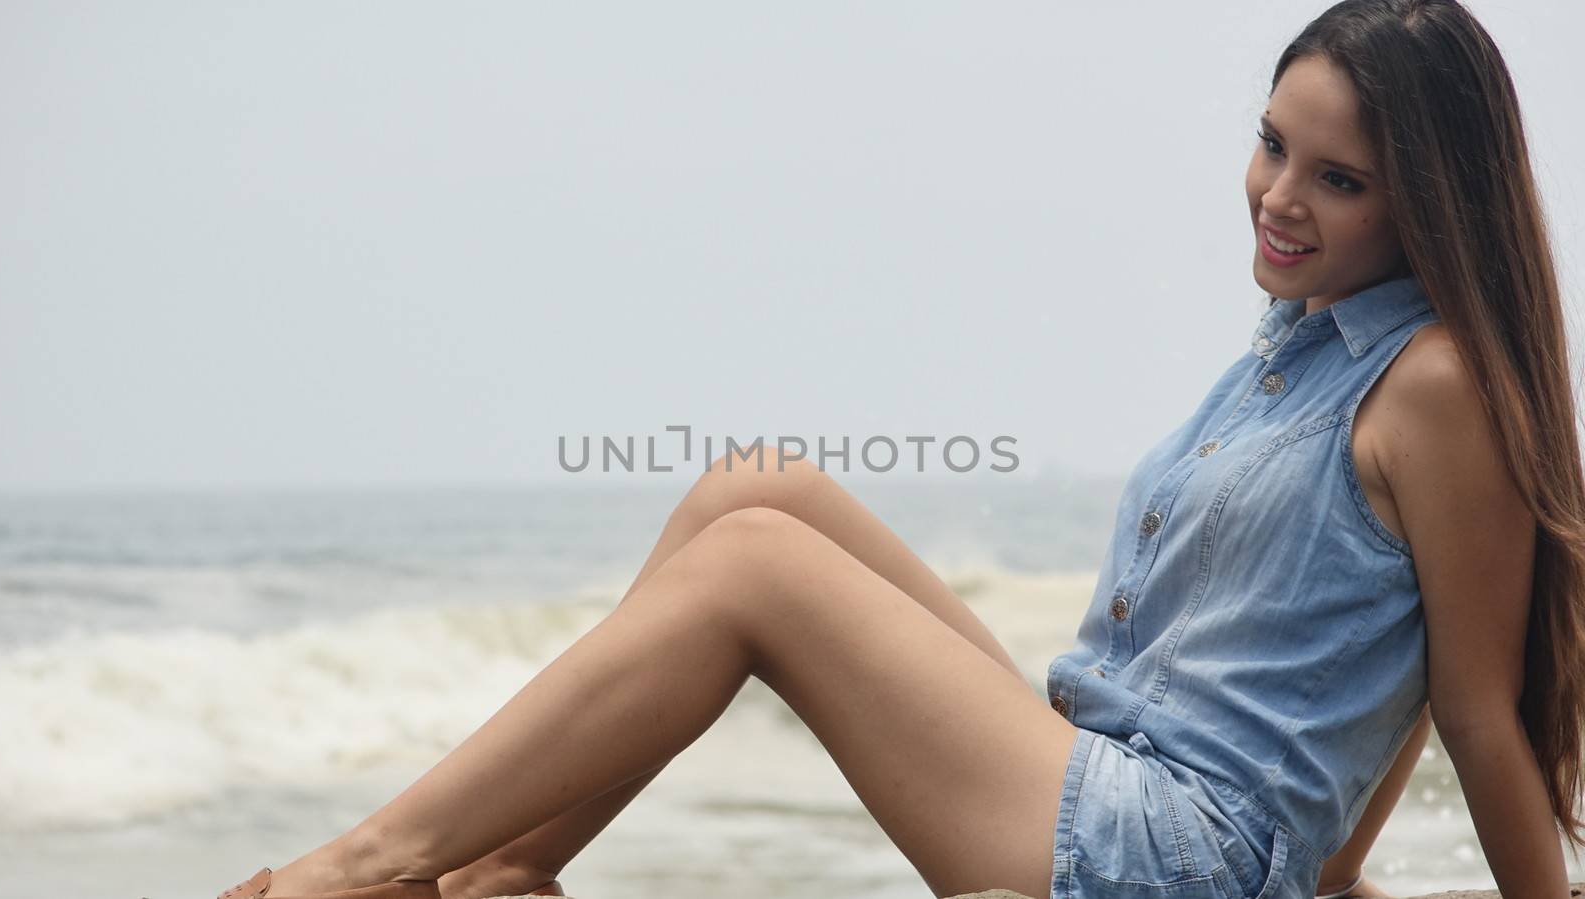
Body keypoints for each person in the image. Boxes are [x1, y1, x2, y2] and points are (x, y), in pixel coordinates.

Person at [214, 1, 1584, 897]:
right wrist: (1335, 874)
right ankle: (500, 872)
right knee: (760, 491)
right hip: (1099, 766)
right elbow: (1351, 657)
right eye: (1273, 147)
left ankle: (363, 870)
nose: (1280, 200)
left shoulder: (1438, 384)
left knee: (755, 569)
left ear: (1434, 206)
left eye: (1337, 182)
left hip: (1161, 854)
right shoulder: (1302, 339)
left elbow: (1465, 702)